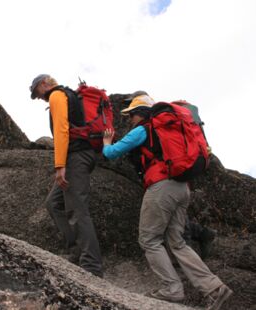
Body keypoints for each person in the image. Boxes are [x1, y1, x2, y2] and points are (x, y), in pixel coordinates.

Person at [102, 94, 232, 309]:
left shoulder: (144, 129)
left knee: (149, 240)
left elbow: (112, 153)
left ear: (140, 113)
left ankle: (172, 289)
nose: (130, 119)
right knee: (177, 242)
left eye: (132, 115)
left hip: (162, 187)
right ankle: (214, 289)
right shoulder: (172, 128)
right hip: (183, 187)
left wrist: (107, 142)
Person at [29, 74, 103, 277]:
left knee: (78, 210)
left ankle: (92, 267)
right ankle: (78, 251)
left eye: (38, 93)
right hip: (82, 155)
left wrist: (59, 165)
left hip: (75, 157)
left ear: (45, 84)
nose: (40, 98)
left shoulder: (56, 95)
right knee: (54, 203)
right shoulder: (69, 95)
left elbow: (62, 129)